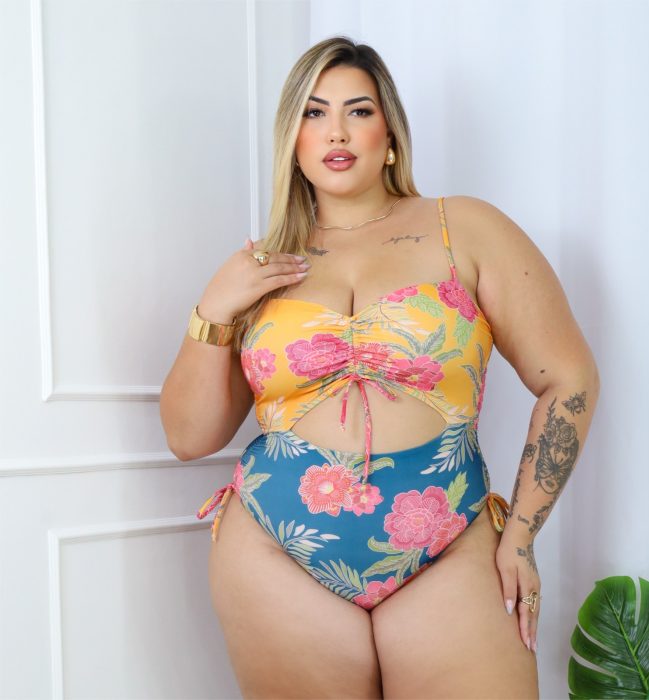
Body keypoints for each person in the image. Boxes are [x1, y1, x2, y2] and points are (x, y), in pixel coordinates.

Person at [160, 35, 599, 700]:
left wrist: (521, 536)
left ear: (389, 132)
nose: (336, 131)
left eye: (358, 111)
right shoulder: (261, 267)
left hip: (449, 542)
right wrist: (213, 307)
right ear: (292, 139)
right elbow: (189, 438)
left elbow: (567, 378)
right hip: (275, 552)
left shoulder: (464, 228)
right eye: (314, 113)